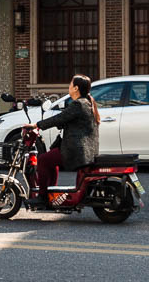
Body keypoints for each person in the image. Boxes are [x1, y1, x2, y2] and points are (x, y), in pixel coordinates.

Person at [27, 74, 100, 204]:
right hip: (86, 150)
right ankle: (51, 192)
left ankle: (42, 197)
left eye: (71, 84)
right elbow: (65, 120)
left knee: (43, 160)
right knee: (51, 159)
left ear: (76, 88)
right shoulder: (87, 103)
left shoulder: (78, 104)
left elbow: (59, 118)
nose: (69, 87)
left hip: (76, 150)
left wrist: (37, 125)